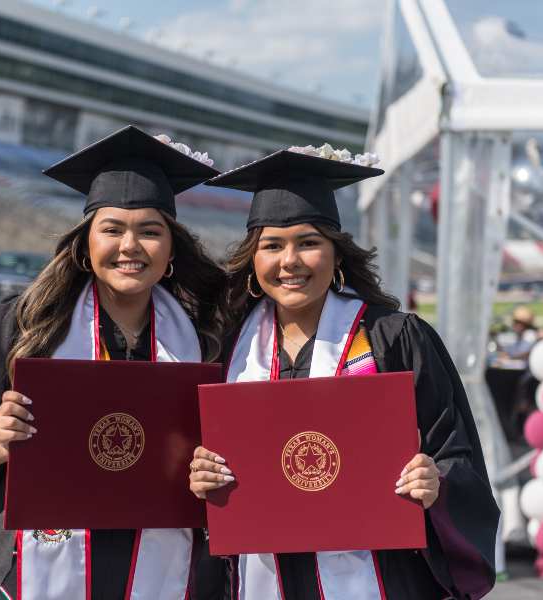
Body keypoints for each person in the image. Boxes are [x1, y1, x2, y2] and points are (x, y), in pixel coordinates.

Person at [0, 126, 228, 600]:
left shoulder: (206, 338)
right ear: (85, 242)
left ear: (172, 248)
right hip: (35, 565)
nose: (130, 247)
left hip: (169, 566)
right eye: (111, 229)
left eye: (150, 232)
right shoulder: (23, 324)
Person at [189, 146, 500, 599]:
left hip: (377, 575)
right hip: (260, 574)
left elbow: (456, 450)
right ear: (253, 263)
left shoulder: (393, 338)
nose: (289, 261)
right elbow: (188, 455)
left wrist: (436, 482)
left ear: (337, 255)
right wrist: (200, 474)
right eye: (272, 245)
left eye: (309, 243)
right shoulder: (225, 347)